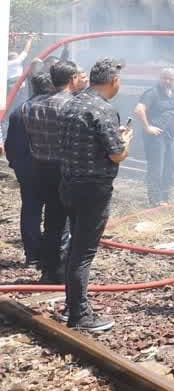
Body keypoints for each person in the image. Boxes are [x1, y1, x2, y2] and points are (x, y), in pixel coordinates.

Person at [57, 58, 133, 333]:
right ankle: (80, 314)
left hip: (68, 184)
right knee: (83, 252)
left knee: (74, 247)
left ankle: (70, 304)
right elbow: (116, 154)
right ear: (113, 81)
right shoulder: (103, 109)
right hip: (93, 189)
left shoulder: (72, 103)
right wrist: (125, 140)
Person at [25, 60, 86, 284]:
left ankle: (48, 269)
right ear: (72, 79)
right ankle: (62, 272)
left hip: (41, 169)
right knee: (70, 224)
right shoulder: (72, 106)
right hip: (65, 170)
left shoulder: (34, 105)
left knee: (51, 221)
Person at [6, 72, 55, 266]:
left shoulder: (19, 111)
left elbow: (11, 145)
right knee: (55, 212)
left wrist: (16, 165)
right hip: (51, 169)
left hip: (27, 170)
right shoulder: (55, 109)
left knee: (31, 211)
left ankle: (33, 256)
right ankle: (52, 255)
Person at [134, 68, 174, 205]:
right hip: (156, 139)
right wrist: (147, 127)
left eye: (170, 79)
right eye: (164, 78)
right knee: (156, 169)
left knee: (170, 166)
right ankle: (154, 201)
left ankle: (165, 198)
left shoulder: (173, 95)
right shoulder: (152, 93)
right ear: (160, 78)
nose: (167, 81)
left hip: (169, 138)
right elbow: (139, 110)